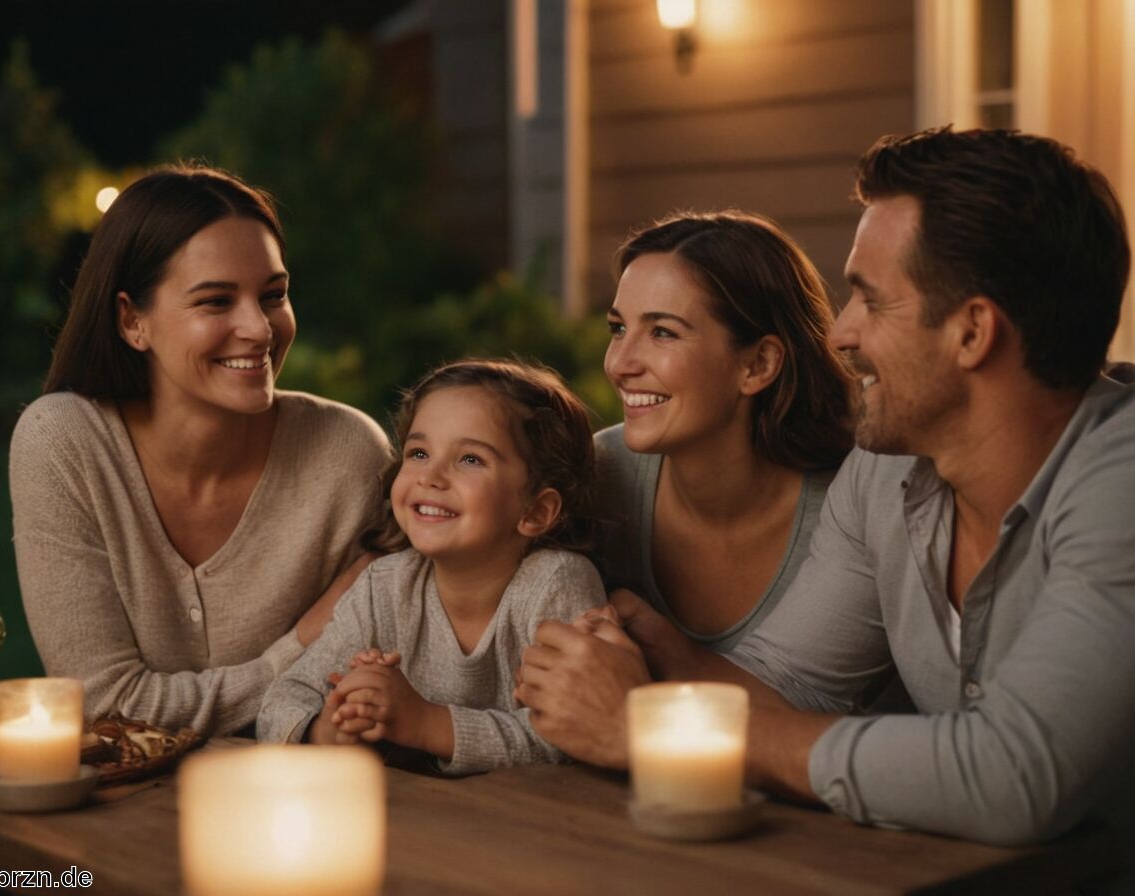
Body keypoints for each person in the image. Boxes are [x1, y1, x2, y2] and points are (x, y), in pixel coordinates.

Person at [518, 126, 1135, 853]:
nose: (840, 333)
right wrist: (646, 653)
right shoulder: (888, 472)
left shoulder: (1118, 481)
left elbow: (1012, 777)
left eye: (870, 302)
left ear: (972, 333)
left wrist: (642, 728)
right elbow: (787, 692)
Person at [9, 164, 392, 736]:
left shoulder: (348, 454)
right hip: (119, 818)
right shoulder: (64, 444)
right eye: (216, 301)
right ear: (132, 320)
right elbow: (106, 709)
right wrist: (300, 647)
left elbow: (365, 688)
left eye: (273, 295)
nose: (259, 329)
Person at [257, 359, 605, 775]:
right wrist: (331, 730)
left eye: (471, 459)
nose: (431, 477)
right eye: (419, 453)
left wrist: (425, 723)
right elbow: (284, 698)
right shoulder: (384, 586)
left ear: (536, 509)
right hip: (412, 823)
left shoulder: (556, 584)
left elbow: (571, 737)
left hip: (529, 828)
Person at [592, 210, 856, 656]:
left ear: (758, 365)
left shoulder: (853, 505)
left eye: (661, 332)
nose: (620, 364)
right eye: (618, 328)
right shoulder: (598, 479)